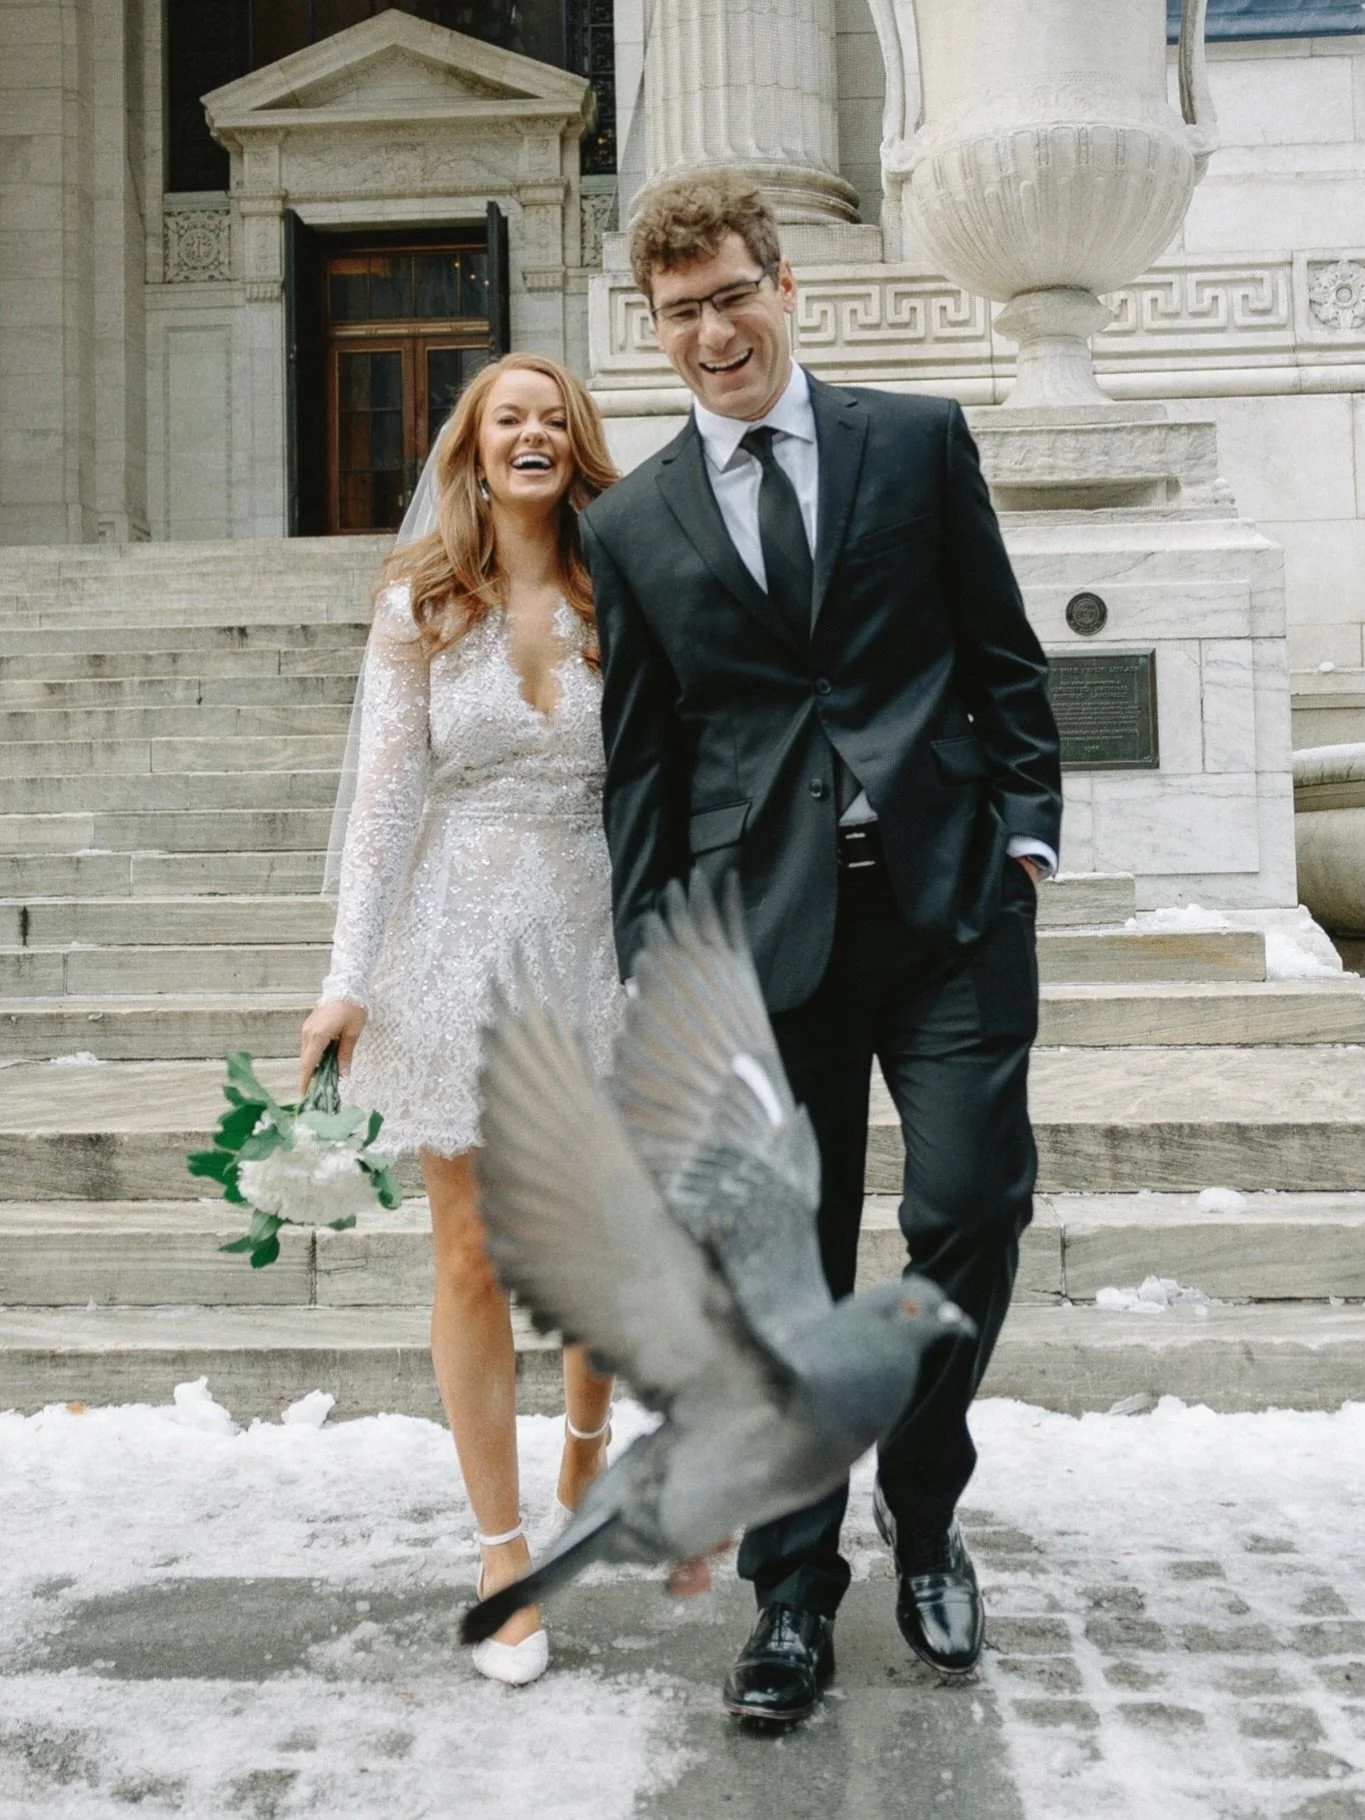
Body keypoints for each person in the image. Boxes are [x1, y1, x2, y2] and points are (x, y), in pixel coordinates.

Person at [581, 173, 1062, 1726]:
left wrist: (1029, 829)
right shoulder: (630, 520)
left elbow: (998, 649)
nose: (713, 331)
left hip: (946, 910)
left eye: (732, 294)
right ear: (654, 333)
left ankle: (924, 1512)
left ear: (785, 287)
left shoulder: (912, 444)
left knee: (972, 1201)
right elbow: (646, 764)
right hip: (757, 941)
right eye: (680, 312)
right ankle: (794, 1591)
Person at [301, 352, 621, 1687]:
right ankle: (503, 1552)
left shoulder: (630, 590)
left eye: (556, 418)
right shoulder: (419, 605)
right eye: (511, 419)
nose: (535, 434)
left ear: (577, 445)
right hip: (458, 943)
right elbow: (382, 805)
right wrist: (346, 974)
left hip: (604, 938)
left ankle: (588, 1449)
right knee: (473, 1258)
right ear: (474, 451)